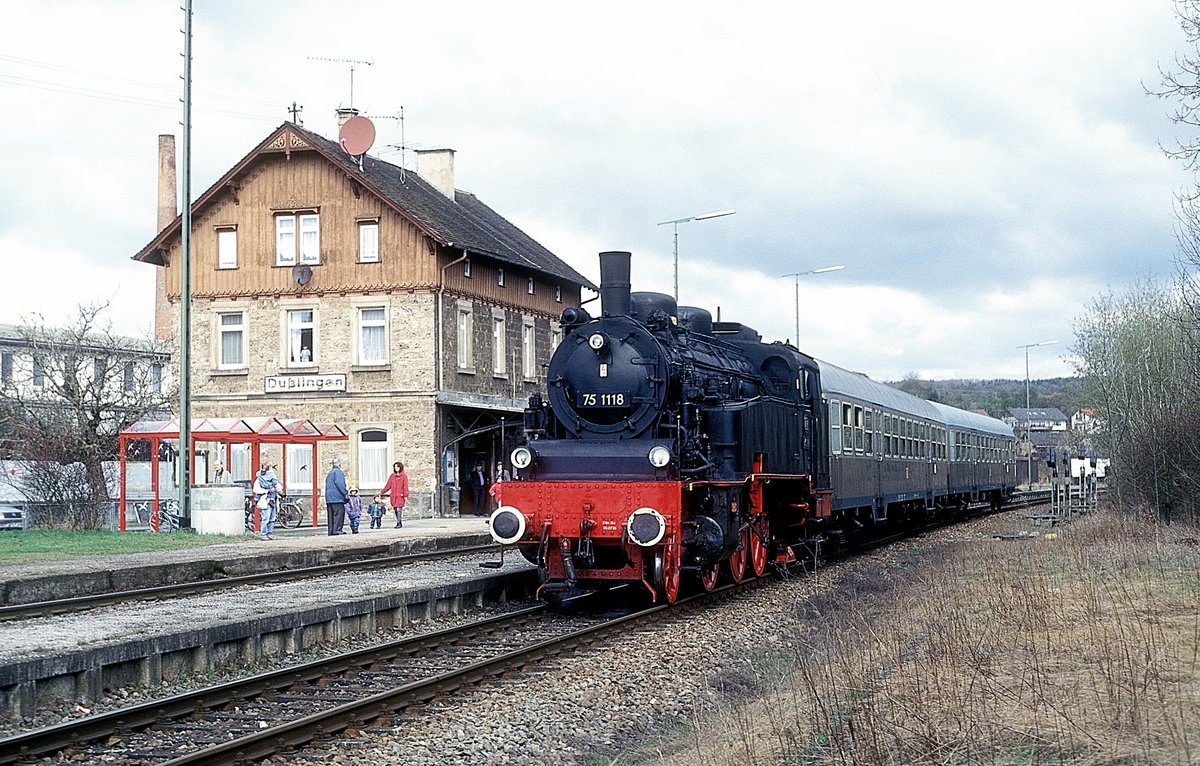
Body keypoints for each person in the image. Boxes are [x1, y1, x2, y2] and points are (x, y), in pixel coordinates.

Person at [253, 464, 282, 541]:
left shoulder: (272, 477)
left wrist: (276, 488)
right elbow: (256, 490)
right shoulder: (259, 480)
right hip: (265, 500)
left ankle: (269, 533)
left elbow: (279, 487)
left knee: (272, 518)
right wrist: (268, 490)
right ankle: (263, 534)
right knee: (266, 518)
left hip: (274, 499)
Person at [380, 462, 409, 528]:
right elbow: (388, 485)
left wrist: (405, 495)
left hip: (400, 496)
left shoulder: (404, 476)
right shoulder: (392, 476)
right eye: (395, 467)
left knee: (399, 509)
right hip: (393, 496)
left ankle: (398, 523)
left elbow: (405, 486)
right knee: (395, 509)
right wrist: (382, 492)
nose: (396, 468)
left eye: (397, 467)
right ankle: (399, 522)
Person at [325, 458, 349, 535]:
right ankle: (337, 529)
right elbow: (340, 484)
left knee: (331, 515)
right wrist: (345, 494)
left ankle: (331, 530)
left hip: (329, 498)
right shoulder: (338, 472)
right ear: (338, 464)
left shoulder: (330, 473)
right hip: (337, 497)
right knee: (339, 514)